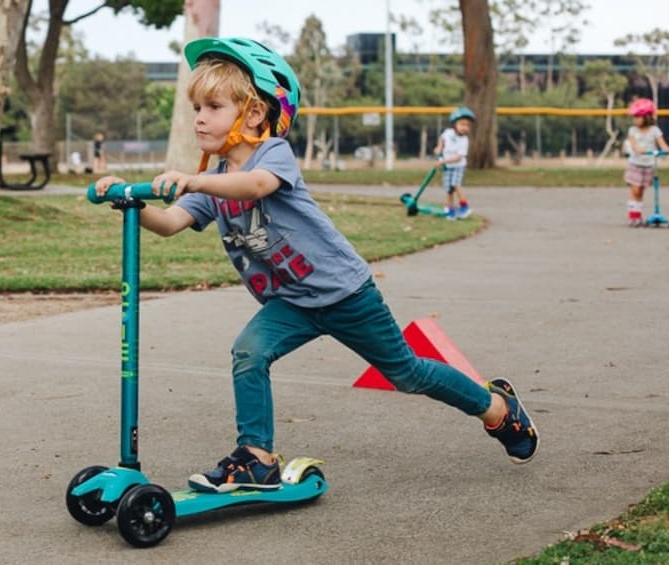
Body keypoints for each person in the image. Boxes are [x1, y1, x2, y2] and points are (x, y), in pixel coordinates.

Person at [94, 38, 539, 494]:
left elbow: (256, 186)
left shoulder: (272, 156)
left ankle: (496, 409)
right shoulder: (211, 183)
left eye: (213, 105)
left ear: (253, 114)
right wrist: (129, 202)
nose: (199, 117)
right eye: (196, 108)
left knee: (407, 373)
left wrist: (192, 178)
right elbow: (169, 222)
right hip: (292, 302)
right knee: (249, 352)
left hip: (346, 294)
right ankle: (256, 458)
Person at [624, 98, 669, 227]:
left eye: (638, 116)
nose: (635, 119)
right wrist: (639, 150)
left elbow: (662, 144)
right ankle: (633, 216)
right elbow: (634, 145)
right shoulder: (632, 130)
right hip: (635, 163)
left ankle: (638, 214)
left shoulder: (654, 130)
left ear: (647, 117)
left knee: (641, 191)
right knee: (635, 190)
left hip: (649, 165)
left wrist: (666, 150)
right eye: (635, 117)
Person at [433, 107, 475, 220]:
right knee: (448, 189)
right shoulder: (448, 133)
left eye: (467, 125)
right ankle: (450, 209)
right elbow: (442, 138)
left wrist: (442, 161)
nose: (465, 127)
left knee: (455, 184)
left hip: (458, 166)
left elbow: (458, 158)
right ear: (454, 124)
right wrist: (439, 147)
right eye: (462, 124)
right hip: (448, 167)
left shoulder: (464, 140)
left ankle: (464, 206)